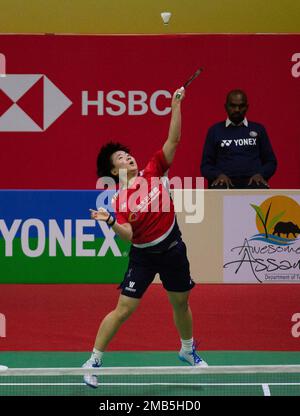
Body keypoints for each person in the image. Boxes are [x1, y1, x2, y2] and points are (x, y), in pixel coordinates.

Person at [82, 87, 208, 388]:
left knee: (180, 302)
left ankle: (187, 350)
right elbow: (127, 235)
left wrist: (176, 106)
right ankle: (93, 359)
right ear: (114, 170)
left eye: (128, 154)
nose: (129, 158)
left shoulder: (153, 170)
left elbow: (173, 140)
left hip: (172, 246)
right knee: (124, 308)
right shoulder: (119, 201)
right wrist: (111, 221)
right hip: (143, 255)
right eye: (122, 158)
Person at [200, 89, 277, 189]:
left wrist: (261, 174)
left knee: (259, 187)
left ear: (247, 107)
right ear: (225, 107)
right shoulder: (215, 130)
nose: (237, 109)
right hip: (224, 183)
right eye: (233, 105)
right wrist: (218, 175)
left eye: (241, 106)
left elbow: (271, 161)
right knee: (219, 188)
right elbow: (206, 166)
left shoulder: (258, 129)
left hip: (253, 182)